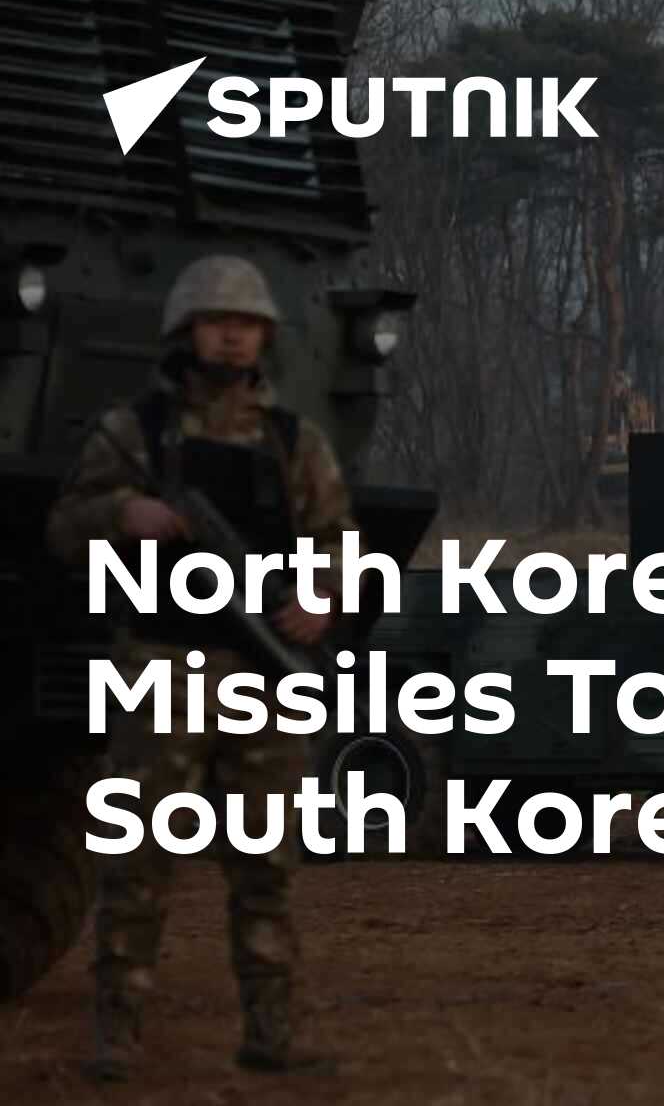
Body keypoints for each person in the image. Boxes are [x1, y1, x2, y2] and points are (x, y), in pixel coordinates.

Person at [46, 255, 355, 1080]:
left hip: (262, 674)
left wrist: (320, 598)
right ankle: (117, 1036)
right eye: (217, 321)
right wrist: (125, 512)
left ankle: (272, 1034)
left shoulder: (293, 441)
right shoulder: (135, 433)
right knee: (138, 859)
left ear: (264, 337)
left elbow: (338, 544)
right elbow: (63, 526)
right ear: (185, 332)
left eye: (246, 323)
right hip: (164, 664)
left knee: (267, 865)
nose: (231, 335)